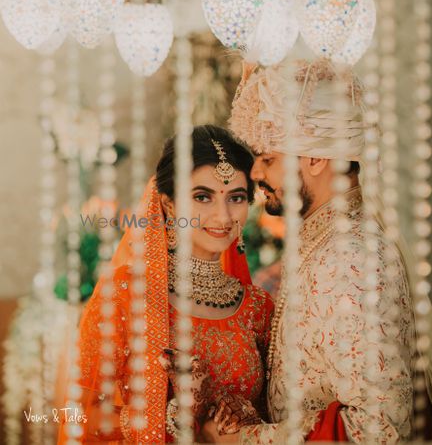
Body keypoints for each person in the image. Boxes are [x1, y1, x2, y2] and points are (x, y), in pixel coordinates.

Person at [201, 59, 432, 443]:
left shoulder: (350, 260)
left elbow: (381, 428)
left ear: (315, 158)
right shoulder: (325, 244)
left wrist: (242, 440)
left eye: (267, 159)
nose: (255, 175)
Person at [58, 125, 274, 443]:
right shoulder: (125, 295)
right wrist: (175, 415)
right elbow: (78, 416)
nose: (223, 215)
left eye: (236, 197)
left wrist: (248, 418)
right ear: (169, 205)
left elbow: (276, 416)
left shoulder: (257, 307)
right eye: (203, 197)